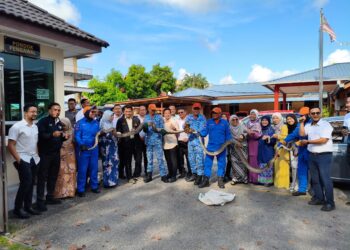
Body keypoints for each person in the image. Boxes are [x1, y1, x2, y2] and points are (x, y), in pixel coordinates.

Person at [7, 104, 41, 219]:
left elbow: (35, 143)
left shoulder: (35, 127)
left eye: (36, 111)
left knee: (31, 183)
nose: (35, 114)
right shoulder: (17, 127)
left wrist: (37, 156)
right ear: (25, 113)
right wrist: (19, 160)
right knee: (25, 183)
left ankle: (28, 207)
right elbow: (10, 145)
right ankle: (17, 209)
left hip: (33, 159)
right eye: (32, 111)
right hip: (22, 159)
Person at [299, 107, 335, 212]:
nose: (315, 115)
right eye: (313, 113)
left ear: (320, 114)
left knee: (325, 179)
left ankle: (330, 203)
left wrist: (308, 142)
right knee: (315, 179)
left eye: (317, 113)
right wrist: (301, 123)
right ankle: (319, 198)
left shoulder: (326, 125)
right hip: (312, 155)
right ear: (309, 115)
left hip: (324, 155)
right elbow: (302, 134)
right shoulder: (308, 125)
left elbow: (324, 140)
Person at [37, 102, 68, 211]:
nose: (57, 112)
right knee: (42, 177)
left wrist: (64, 137)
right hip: (45, 154)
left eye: (58, 110)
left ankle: (50, 197)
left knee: (53, 176)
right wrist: (51, 134)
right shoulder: (43, 122)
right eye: (55, 109)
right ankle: (39, 201)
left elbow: (59, 137)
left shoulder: (59, 122)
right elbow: (41, 136)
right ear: (49, 110)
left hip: (56, 153)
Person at [199, 107, 232, 189]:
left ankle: (220, 180)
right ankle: (206, 180)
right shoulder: (209, 122)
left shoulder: (225, 123)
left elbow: (228, 135)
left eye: (216, 113)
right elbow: (204, 133)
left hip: (221, 148)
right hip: (210, 147)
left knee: (221, 164)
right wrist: (198, 132)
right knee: (207, 164)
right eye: (213, 113)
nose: (214, 114)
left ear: (220, 114)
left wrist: (228, 142)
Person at [75, 106, 101, 197]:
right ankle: (80, 189)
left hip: (94, 149)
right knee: (82, 170)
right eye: (92, 112)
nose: (94, 114)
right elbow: (77, 135)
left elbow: (98, 134)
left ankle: (94, 186)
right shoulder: (80, 123)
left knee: (94, 168)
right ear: (86, 112)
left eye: (95, 112)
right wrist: (81, 144)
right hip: (83, 149)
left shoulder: (96, 123)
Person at [284, 108, 310, 196]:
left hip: (311, 150)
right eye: (301, 115)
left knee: (313, 172)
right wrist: (283, 141)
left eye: (305, 115)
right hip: (302, 150)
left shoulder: (312, 124)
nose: (303, 116)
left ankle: (313, 189)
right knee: (301, 170)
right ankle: (302, 189)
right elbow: (293, 134)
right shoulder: (300, 125)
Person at [117, 105, 142, 183]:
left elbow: (140, 129)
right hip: (126, 143)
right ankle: (129, 177)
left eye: (129, 111)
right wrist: (120, 134)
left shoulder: (136, 119)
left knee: (138, 159)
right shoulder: (120, 121)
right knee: (128, 161)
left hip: (136, 142)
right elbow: (118, 131)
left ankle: (136, 174)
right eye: (126, 111)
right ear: (124, 111)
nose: (128, 113)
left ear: (132, 111)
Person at [143, 104, 168, 183]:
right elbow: (144, 130)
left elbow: (162, 128)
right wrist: (145, 128)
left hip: (157, 140)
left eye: (154, 110)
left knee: (160, 158)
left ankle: (163, 175)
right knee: (149, 159)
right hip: (149, 140)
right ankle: (149, 175)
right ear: (148, 109)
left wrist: (161, 131)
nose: (153, 111)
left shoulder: (159, 117)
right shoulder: (146, 117)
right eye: (152, 109)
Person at [53, 117, 76, 198]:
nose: (63, 127)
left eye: (64, 125)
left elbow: (75, 141)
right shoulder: (58, 131)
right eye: (61, 125)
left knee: (70, 171)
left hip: (70, 155)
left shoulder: (73, 131)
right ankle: (60, 193)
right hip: (60, 154)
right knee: (61, 172)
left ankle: (70, 192)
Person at [185, 103, 206, 184]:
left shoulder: (202, 117)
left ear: (200, 109)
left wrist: (193, 130)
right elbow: (186, 127)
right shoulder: (188, 117)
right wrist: (187, 129)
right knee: (191, 158)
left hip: (199, 141)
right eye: (195, 108)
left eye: (198, 109)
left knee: (199, 159)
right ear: (192, 109)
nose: (196, 110)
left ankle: (200, 175)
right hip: (190, 141)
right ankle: (194, 174)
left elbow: (202, 129)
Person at [99, 110, 119, 188]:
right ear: (107, 116)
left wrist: (115, 133)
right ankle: (107, 182)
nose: (112, 117)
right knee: (107, 164)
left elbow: (115, 135)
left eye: (113, 116)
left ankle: (113, 181)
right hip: (106, 149)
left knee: (114, 163)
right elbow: (101, 137)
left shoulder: (112, 124)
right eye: (111, 116)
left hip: (113, 148)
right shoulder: (102, 124)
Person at [227, 115, 248, 185]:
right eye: (233, 120)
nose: (235, 121)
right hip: (234, 147)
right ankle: (235, 178)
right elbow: (227, 137)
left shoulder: (242, 125)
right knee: (234, 163)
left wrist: (243, 135)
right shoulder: (228, 128)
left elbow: (247, 132)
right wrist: (235, 140)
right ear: (230, 121)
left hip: (243, 146)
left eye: (236, 119)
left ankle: (244, 178)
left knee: (243, 162)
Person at [271, 112, 289, 189]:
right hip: (277, 148)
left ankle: (283, 184)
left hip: (283, 148)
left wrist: (277, 136)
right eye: (273, 118)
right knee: (277, 166)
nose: (275, 120)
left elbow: (285, 137)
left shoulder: (284, 126)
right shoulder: (275, 127)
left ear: (280, 118)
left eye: (277, 118)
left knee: (283, 166)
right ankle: (278, 183)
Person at [257, 116, 276, 186]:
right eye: (263, 120)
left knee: (267, 162)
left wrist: (268, 139)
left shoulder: (271, 129)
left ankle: (268, 181)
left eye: (266, 120)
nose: (264, 122)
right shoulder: (259, 129)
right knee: (261, 163)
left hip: (268, 149)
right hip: (260, 149)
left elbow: (274, 141)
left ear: (269, 121)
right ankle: (261, 180)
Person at [246, 109, 262, 184]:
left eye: (254, 114)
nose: (252, 116)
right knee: (249, 161)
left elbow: (258, 135)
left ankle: (255, 179)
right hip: (247, 144)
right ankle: (250, 178)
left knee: (254, 161)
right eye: (251, 114)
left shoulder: (257, 124)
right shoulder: (247, 123)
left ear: (256, 115)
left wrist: (251, 133)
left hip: (254, 144)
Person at [285, 114, 299, 192]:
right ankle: (293, 183)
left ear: (294, 119)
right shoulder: (288, 128)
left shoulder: (298, 126)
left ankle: (298, 184)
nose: (289, 120)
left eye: (291, 118)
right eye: (288, 119)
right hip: (292, 149)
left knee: (300, 168)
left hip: (299, 149)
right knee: (294, 167)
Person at [176, 107, 189, 178]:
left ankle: (190, 172)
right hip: (179, 141)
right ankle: (182, 172)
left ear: (185, 112)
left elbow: (190, 131)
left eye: (182, 112)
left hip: (186, 142)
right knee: (180, 159)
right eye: (179, 113)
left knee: (188, 158)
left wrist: (188, 138)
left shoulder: (188, 120)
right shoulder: (177, 121)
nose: (180, 114)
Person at [112, 104, 124, 178]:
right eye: (116, 109)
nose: (117, 110)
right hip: (113, 141)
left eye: (119, 108)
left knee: (122, 157)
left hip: (122, 140)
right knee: (114, 158)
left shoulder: (124, 118)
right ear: (113, 110)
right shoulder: (111, 118)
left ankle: (121, 173)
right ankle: (114, 173)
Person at [138, 105, 148, 175]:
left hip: (147, 140)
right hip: (138, 141)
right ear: (139, 111)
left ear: (146, 111)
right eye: (141, 110)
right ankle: (138, 172)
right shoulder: (135, 118)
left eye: (144, 109)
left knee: (146, 157)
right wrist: (139, 136)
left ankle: (147, 171)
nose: (142, 111)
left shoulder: (149, 118)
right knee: (138, 157)